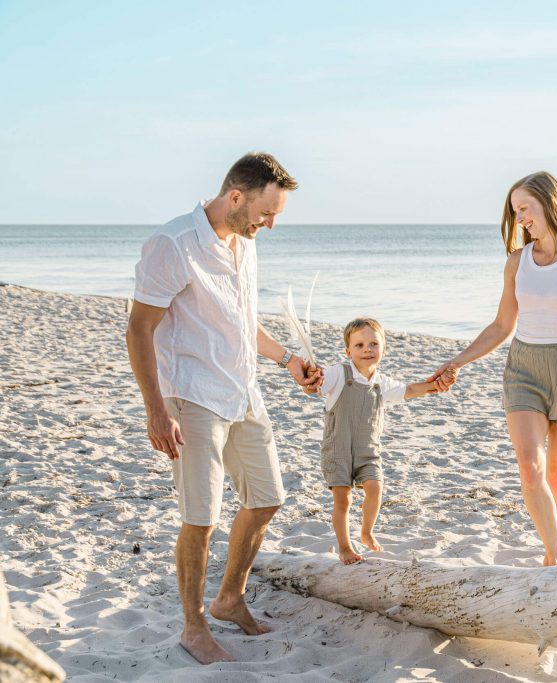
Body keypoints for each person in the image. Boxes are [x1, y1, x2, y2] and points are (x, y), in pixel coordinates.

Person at [125, 152, 323, 664]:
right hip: (191, 396)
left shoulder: (245, 242)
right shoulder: (172, 245)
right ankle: (194, 628)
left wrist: (287, 359)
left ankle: (229, 598)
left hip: (243, 390)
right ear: (236, 196)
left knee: (267, 497)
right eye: (266, 211)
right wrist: (155, 409)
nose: (271, 223)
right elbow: (139, 329)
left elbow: (241, 321)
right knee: (201, 516)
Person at [431, 171, 557, 566]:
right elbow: (501, 326)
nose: (520, 219)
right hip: (524, 368)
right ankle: (556, 556)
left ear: (549, 203)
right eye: (515, 212)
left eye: (525, 209)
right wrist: (458, 360)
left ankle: (552, 558)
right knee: (531, 466)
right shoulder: (517, 262)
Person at [317, 317, 446, 565]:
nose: (367, 349)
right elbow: (316, 385)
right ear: (348, 351)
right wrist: (312, 380)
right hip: (338, 449)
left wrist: (436, 386)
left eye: (374, 344)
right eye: (360, 345)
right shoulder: (338, 374)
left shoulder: (380, 382)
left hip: (368, 452)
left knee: (375, 489)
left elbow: (408, 390)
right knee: (343, 499)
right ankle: (345, 547)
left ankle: (366, 531)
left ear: (383, 349)